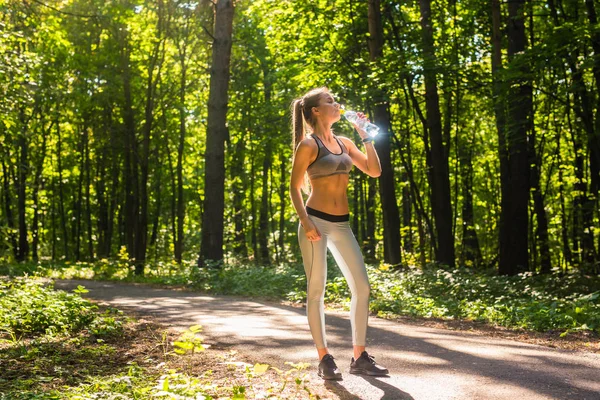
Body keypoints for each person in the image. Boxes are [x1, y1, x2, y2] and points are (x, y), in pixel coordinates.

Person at [289, 87, 389, 380]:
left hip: (342, 223)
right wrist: (306, 222)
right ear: (316, 111)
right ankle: (325, 358)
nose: (337, 103)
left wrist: (365, 135)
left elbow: (373, 171)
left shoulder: (345, 142)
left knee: (362, 286)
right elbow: (294, 187)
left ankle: (359, 357)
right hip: (315, 222)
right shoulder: (308, 145)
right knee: (316, 289)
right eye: (330, 101)